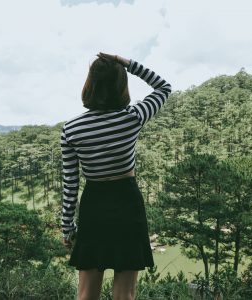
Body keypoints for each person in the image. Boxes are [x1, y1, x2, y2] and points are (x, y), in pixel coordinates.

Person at [60, 52, 172, 300]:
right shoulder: (132, 117)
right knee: (125, 295)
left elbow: (71, 183)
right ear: (121, 86)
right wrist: (127, 63)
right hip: (127, 202)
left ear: (90, 84)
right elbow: (163, 87)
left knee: (86, 294)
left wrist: (67, 227)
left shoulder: (71, 129)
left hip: (94, 205)